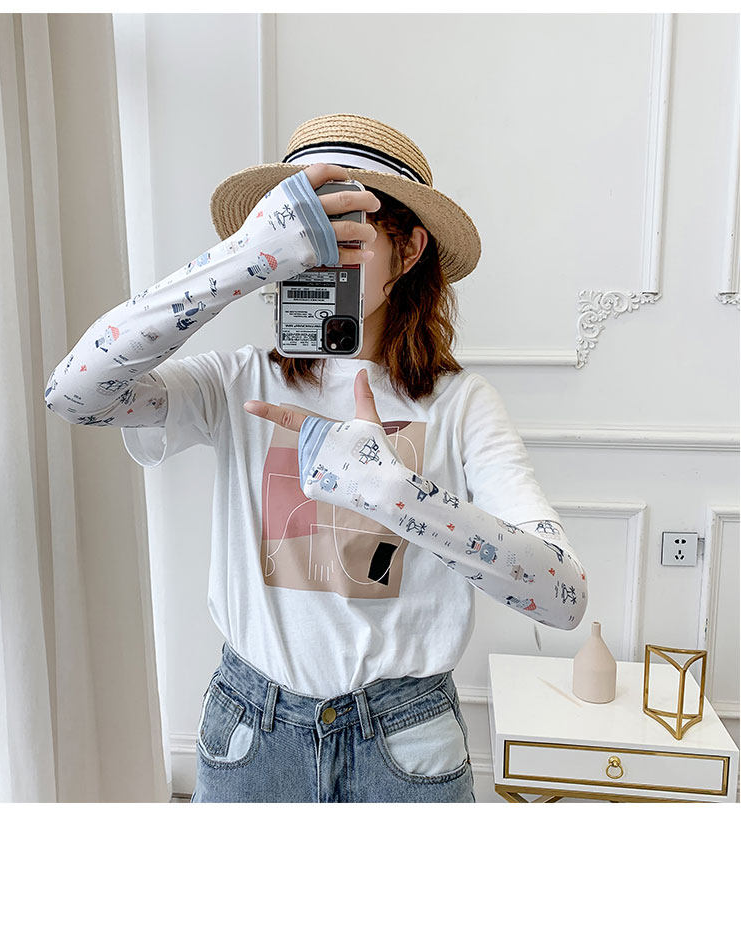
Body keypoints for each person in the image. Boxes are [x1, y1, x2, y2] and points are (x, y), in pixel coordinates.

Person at [45, 113, 588, 803]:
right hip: (252, 732)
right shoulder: (237, 380)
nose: (319, 262)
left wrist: (398, 496)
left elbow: (563, 597)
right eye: (304, 239)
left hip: (404, 743)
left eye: (346, 238)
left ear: (409, 249)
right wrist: (242, 259)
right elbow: (74, 392)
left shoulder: (462, 405)